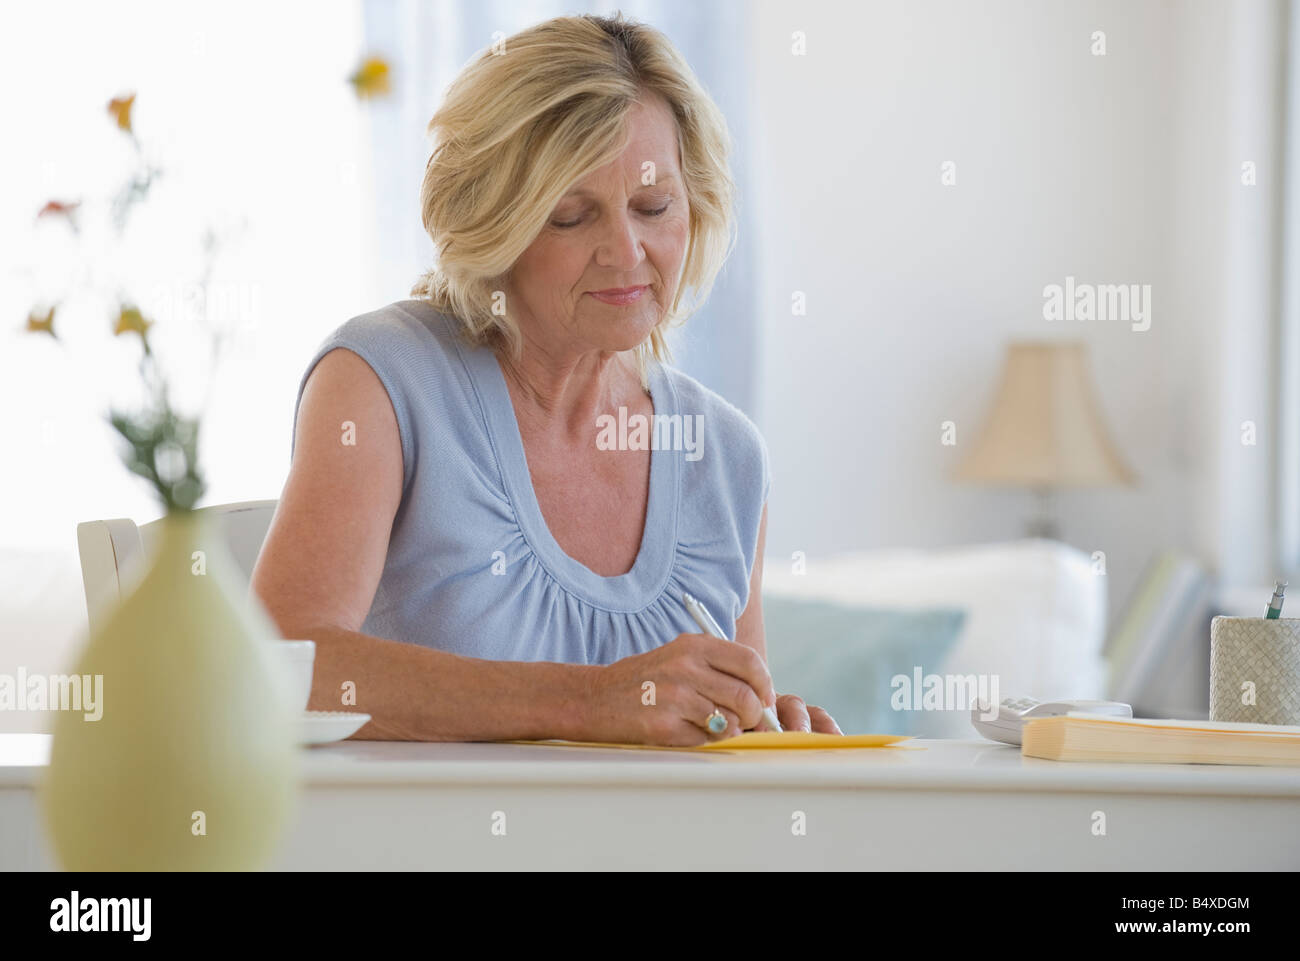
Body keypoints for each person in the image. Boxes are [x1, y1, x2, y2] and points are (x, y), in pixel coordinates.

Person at [250, 12, 842, 745]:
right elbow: (280, 669)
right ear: (495, 224)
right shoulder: (382, 381)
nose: (625, 251)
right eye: (571, 216)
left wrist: (764, 721)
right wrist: (586, 702)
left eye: (654, 206)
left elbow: (719, 737)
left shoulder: (726, 455)